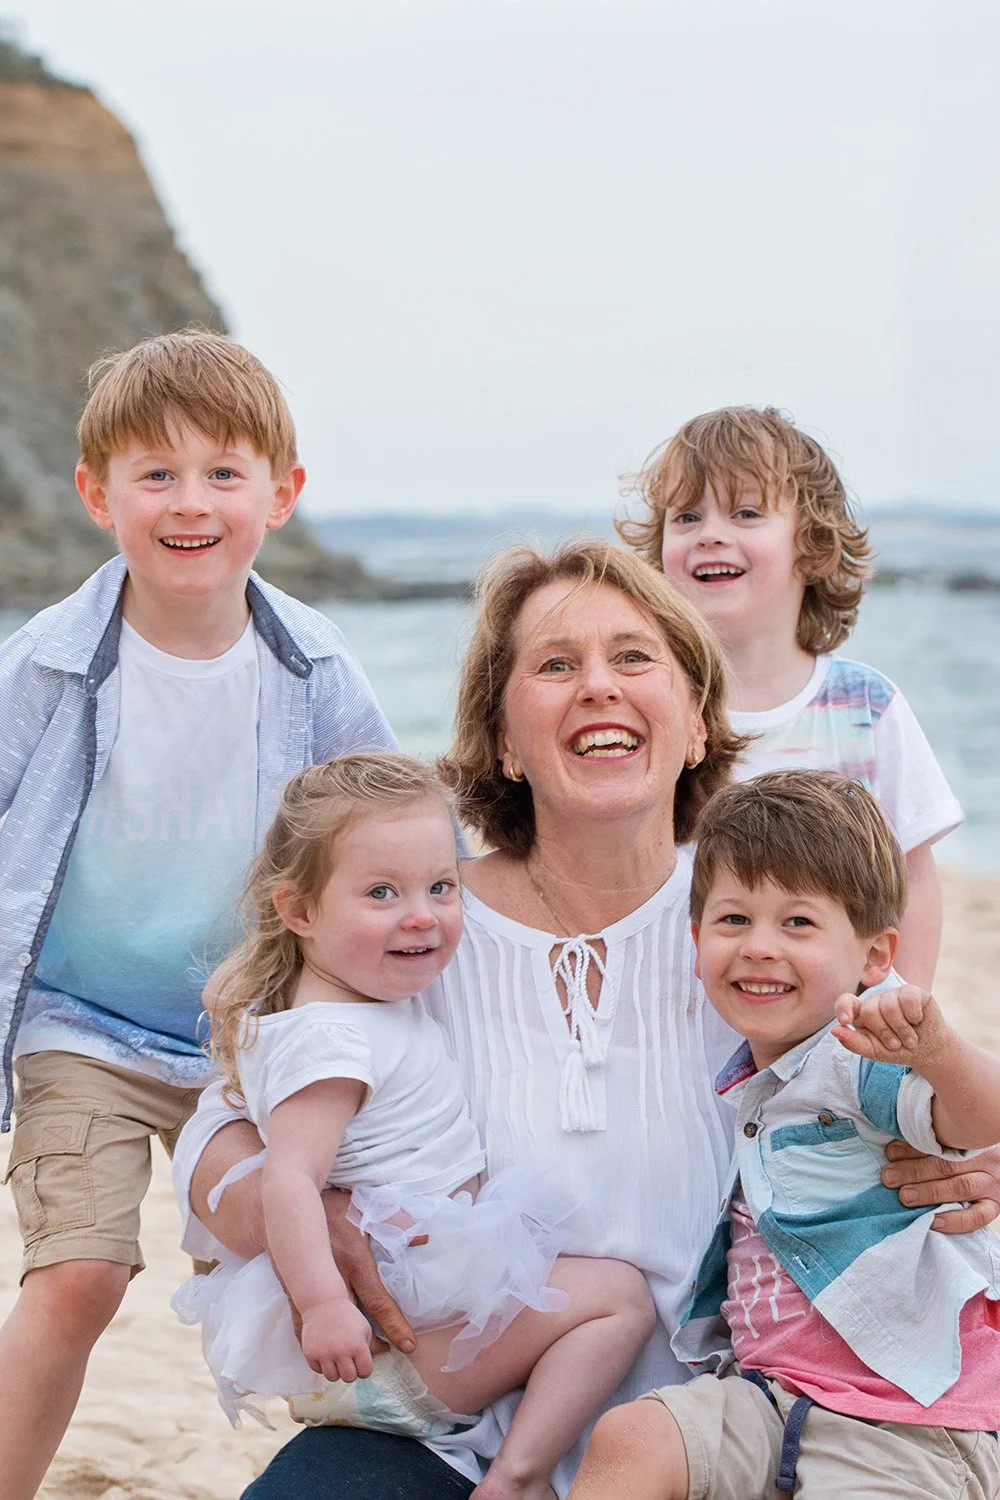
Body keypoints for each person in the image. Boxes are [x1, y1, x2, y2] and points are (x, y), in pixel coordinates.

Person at [171, 540, 999, 1500]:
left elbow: (911, 1085)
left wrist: (974, 1168)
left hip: (727, 1435)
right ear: (506, 742)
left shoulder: (761, 934)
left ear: (696, 723)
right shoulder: (416, 926)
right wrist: (303, 1207)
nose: (597, 687)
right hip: (450, 1436)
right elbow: (216, 1136)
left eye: (635, 658)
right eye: (555, 664)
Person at [0, 328, 395, 1500]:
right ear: (96, 494)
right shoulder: (51, 663)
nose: (190, 502)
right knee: (77, 1277)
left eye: (223, 473)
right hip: (82, 1025)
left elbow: (384, 833)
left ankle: (373, 1465)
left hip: (252, 1040)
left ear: (282, 494)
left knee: (316, 1258)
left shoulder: (315, 668)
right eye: (154, 474)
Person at [176, 750, 654, 1500]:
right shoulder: (334, 1041)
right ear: (298, 911)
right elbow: (290, 1176)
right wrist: (325, 1304)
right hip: (415, 1305)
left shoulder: (337, 998)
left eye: (441, 886)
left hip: (428, 1286)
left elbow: (223, 992)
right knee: (620, 1298)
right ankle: (520, 1475)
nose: (422, 916)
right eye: (381, 892)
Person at [570, 770, 1000, 1500]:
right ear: (697, 935)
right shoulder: (746, 1075)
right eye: (735, 921)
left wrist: (937, 1053)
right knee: (631, 1437)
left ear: (873, 956)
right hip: (768, 1396)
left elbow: (976, 1122)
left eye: (797, 923)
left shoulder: (855, 1053)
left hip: (898, 1417)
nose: (759, 947)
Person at [617, 405, 962, 988]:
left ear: (811, 546)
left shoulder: (866, 706)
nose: (711, 534)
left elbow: (912, 878)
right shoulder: (649, 703)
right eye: (687, 517)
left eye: (746, 512)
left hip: (826, 1034)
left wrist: (903, 1005)